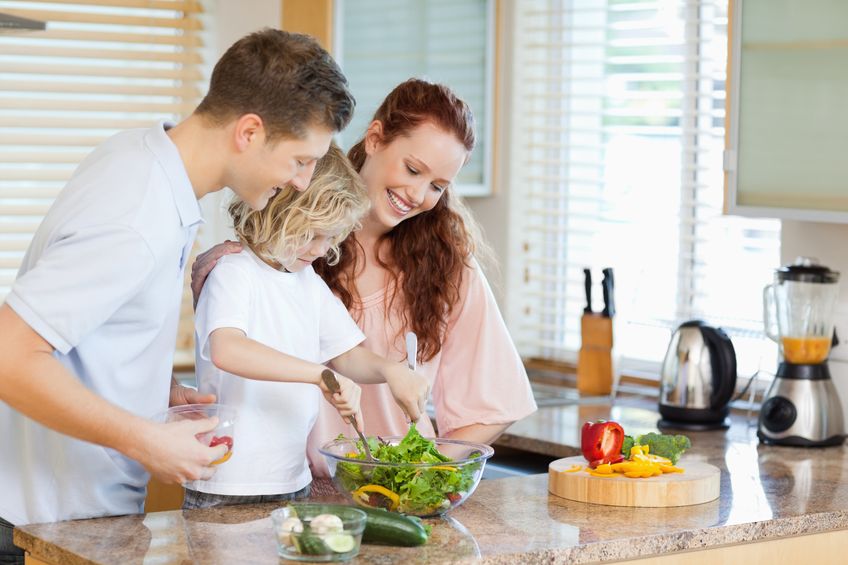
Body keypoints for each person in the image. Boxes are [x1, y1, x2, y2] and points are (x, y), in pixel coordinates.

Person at [0, 27, 354, 560]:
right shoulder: (139, 215)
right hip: (48, 524)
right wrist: (143, 438)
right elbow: (9, 355)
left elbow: (89, 325)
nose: (304, 182)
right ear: (250, 131)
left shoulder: (148, 159)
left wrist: (153, 387)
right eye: (301, 160)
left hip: (72, 512)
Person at [191, 79, 537, 482]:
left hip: (393, 491)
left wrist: (415, 476)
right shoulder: (293, 249)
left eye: (437, 186)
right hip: (285, 485)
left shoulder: (448, 268)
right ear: (375, 138)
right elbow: (231, 347)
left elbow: (495, 403)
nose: (417, 193)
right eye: (412, 169)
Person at [186, 144, 428, 509]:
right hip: (227, 483)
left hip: (292, 480)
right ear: (277, 211)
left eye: (331, 237)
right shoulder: (234, 272)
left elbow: (346, 355)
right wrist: (320, 376)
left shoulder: (307, 282)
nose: (321, 248)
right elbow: (228, 349)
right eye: (313, 233)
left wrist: (391, 371)